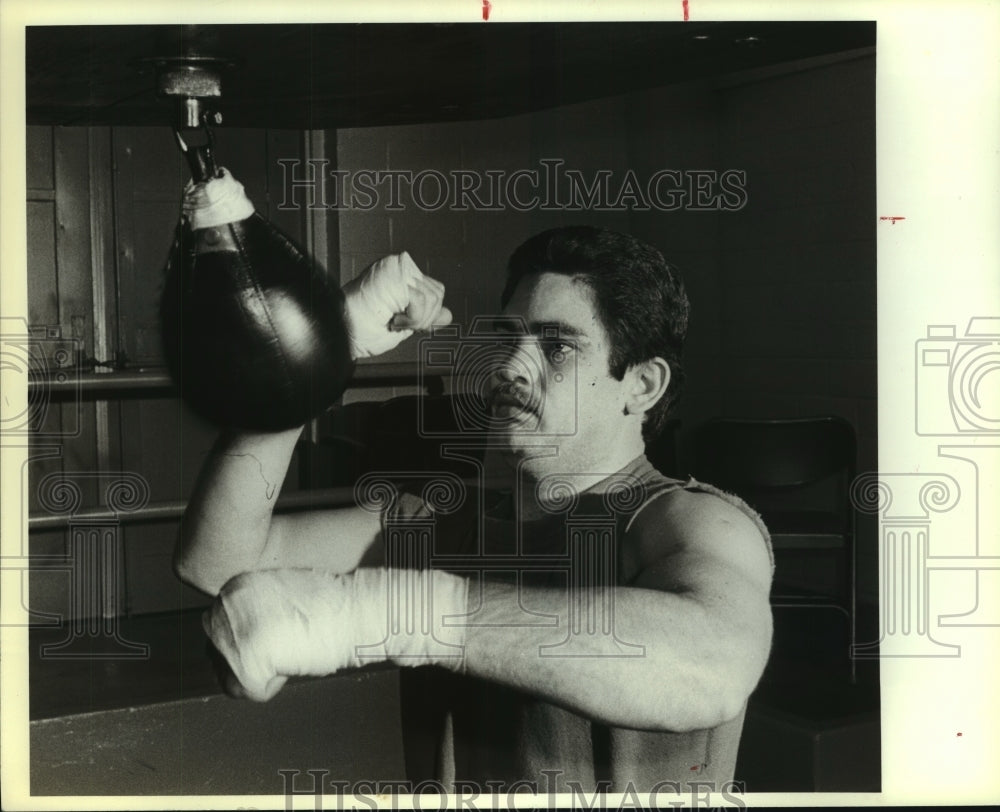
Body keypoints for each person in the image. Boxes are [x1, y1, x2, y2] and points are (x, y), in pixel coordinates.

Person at [174, 225, 774, 796]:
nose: (512, 367)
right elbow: (218, 560)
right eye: (509, 339)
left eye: (556, 346)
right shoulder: (445, 526)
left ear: (641, 386)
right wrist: (326, 348)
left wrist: (390, 615)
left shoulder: (688, 521)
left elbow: (715, 662)